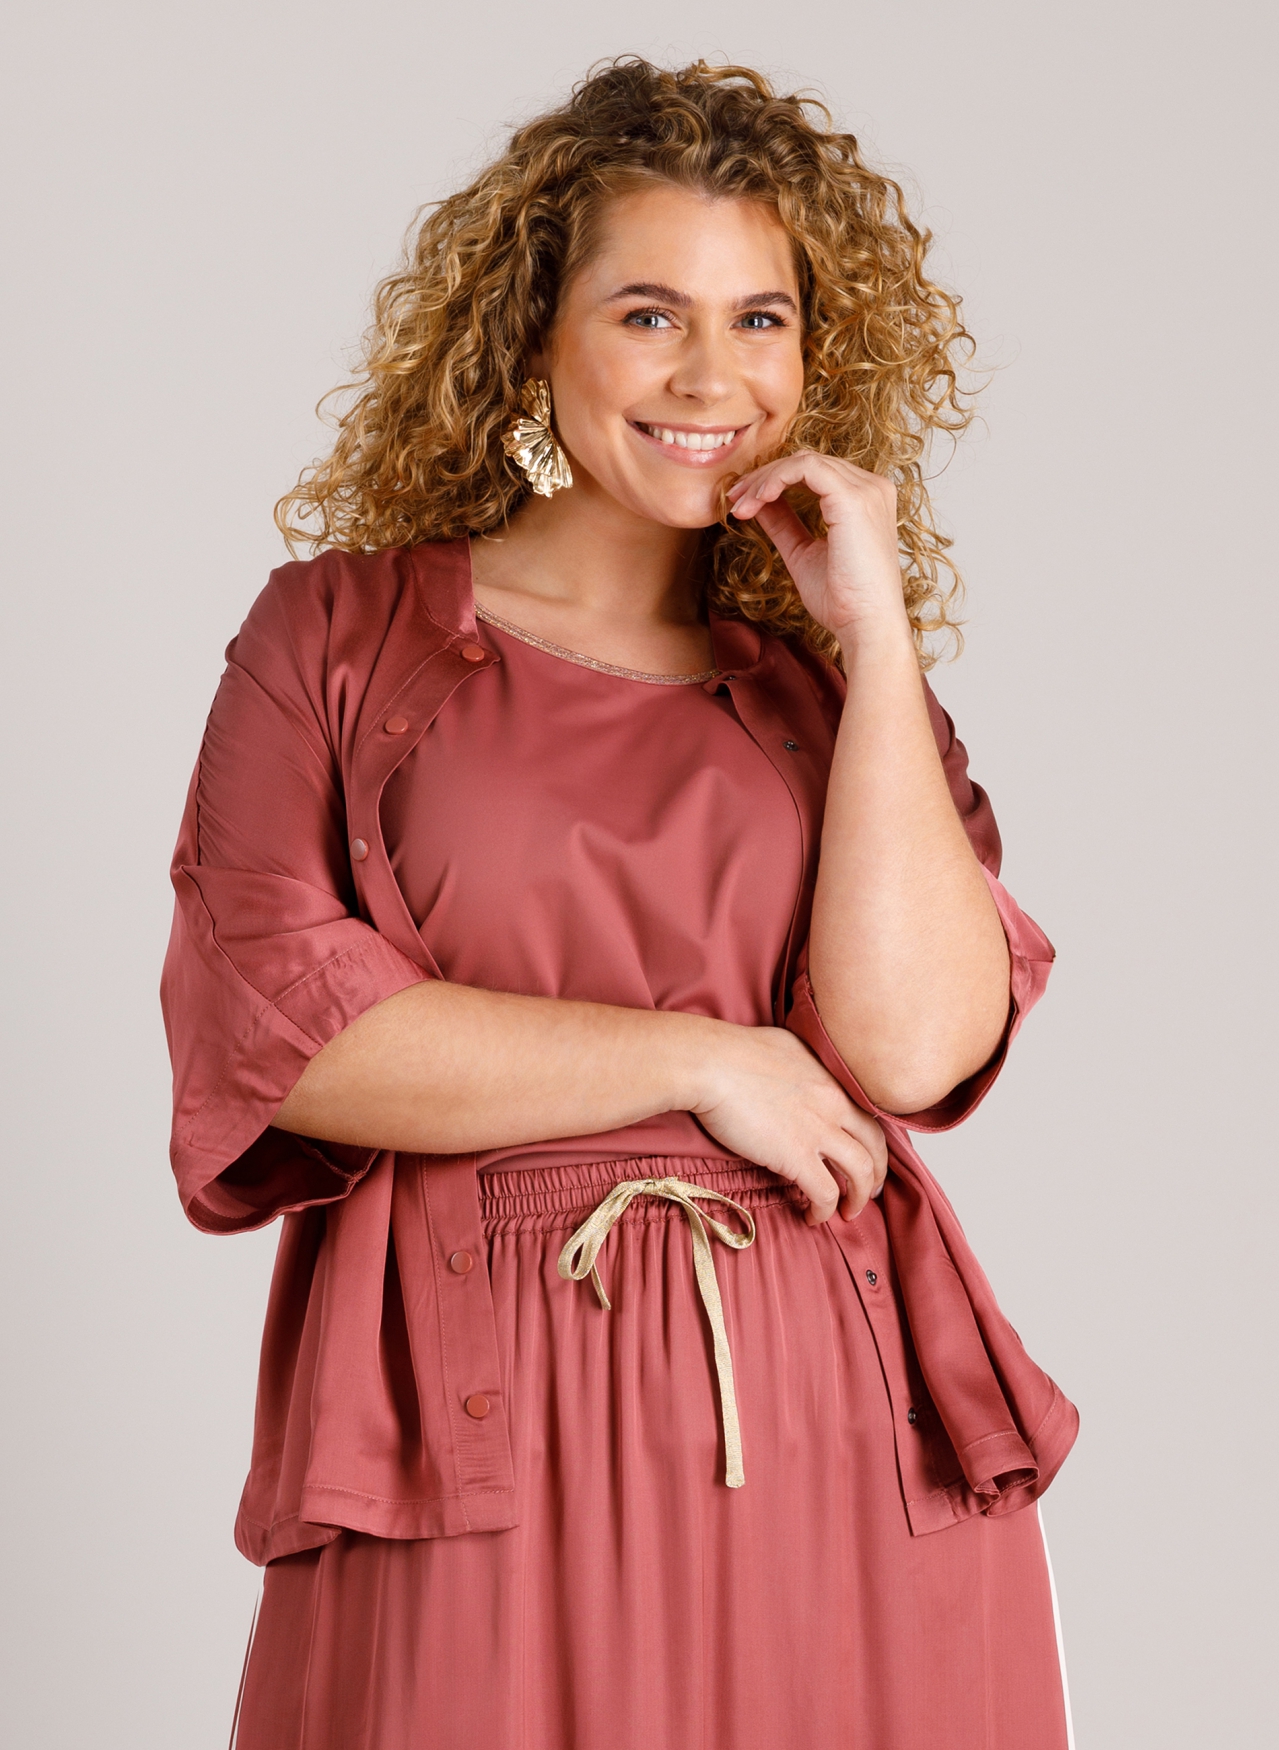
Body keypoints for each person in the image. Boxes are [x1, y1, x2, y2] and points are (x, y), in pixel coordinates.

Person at [162, 57, 1077, 1750]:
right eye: (650, 315)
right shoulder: (341, 640)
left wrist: (875, 638)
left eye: (760, 320)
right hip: (474, 1421)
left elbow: (912, 1045)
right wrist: (705, 1059)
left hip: (832, 1421)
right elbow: (287, 1035)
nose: (712, 376)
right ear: (534, 334)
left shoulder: (831, 700)